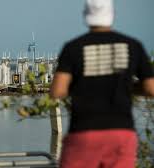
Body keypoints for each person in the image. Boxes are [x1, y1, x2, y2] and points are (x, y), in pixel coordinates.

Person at [50, 0, 154, 167]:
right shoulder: (133, 46)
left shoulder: (73, 48)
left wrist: (83, 86)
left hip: (84, 131)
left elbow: (57, 91)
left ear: (85, 16)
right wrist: (128, 87)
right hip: (122, 132)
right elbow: (151, 88)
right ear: (113, 15)